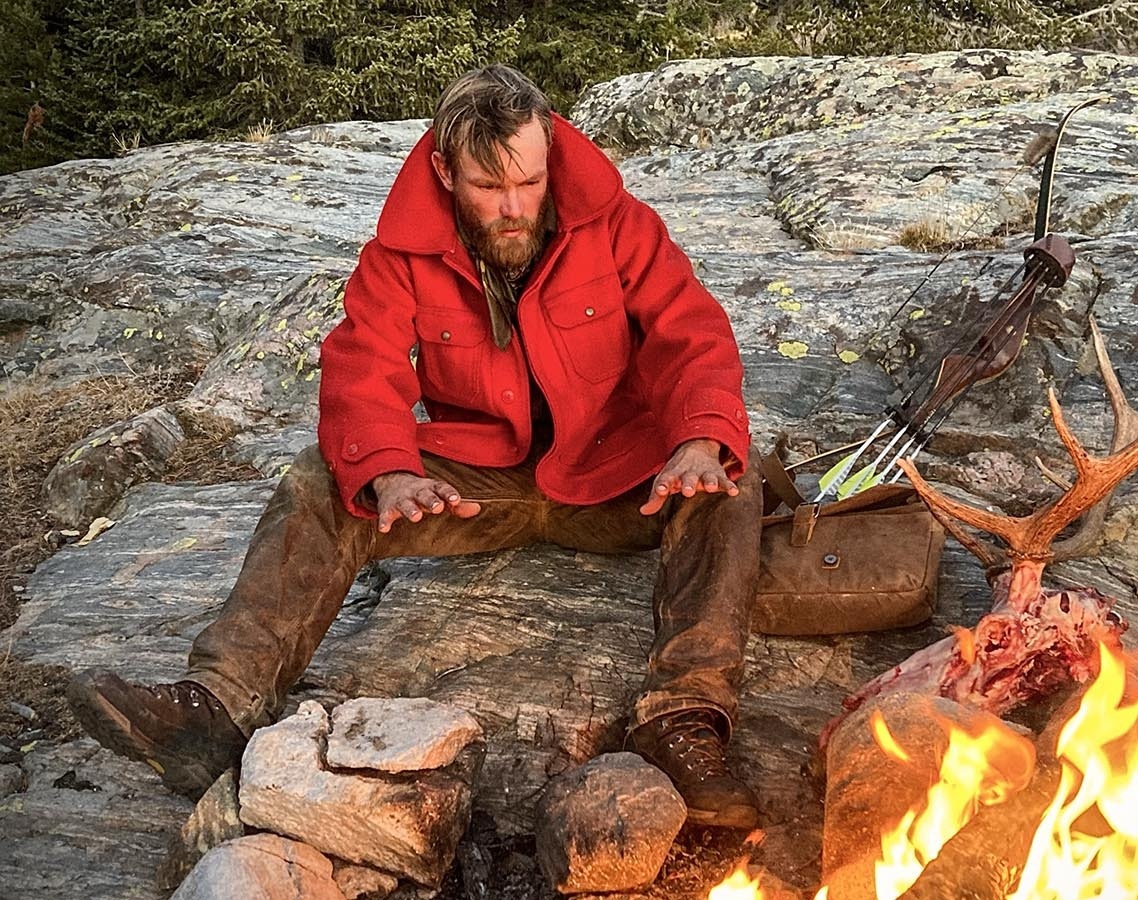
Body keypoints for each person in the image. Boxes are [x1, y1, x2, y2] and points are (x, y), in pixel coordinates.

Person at [67, 64, 763, 829]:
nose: (513, 207)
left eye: (529, 182)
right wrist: (392, 470)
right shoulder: (398, 255)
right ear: (443, 168)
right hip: (478, 484)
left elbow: (689, 334)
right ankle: (217, 707)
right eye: (487, 187)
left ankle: (684, 721)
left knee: (729, 472)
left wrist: (699, 438)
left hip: (615, 475)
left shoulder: (620, 224)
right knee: (322, 481)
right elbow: (363, 365)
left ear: (551, 150)